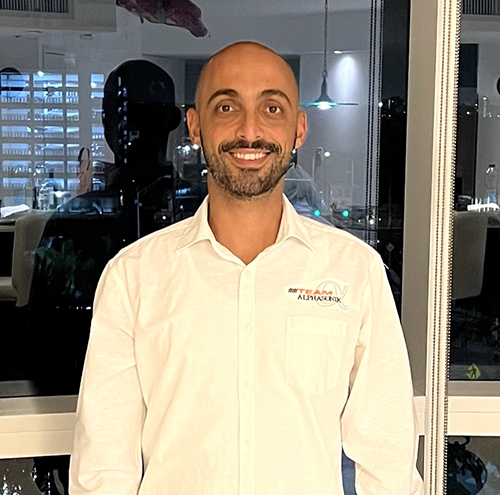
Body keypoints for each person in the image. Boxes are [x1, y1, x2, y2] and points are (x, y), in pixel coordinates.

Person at [69, 41, 424, 495]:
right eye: (226, 107)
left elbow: (388, 456)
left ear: (298, 129)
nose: (250, 130)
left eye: (272, 108)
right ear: (195, 126)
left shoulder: (355, 272)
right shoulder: (134, 278)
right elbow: (103, 469)